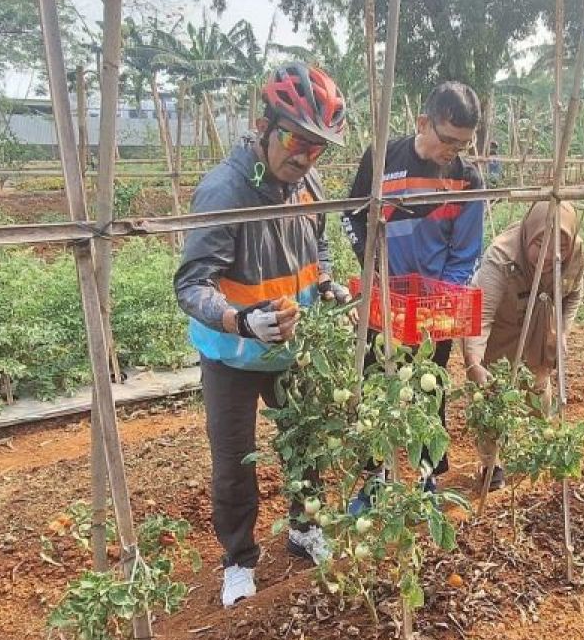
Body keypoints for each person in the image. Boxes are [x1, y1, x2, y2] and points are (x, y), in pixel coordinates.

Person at [174, 62, 352, 608]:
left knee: (304, 444)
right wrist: (242, 321)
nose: (302, 156)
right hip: (231, 354)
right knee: (234, 461)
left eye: (316, 148)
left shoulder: (306, 184)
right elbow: (191, 284)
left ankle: (304, 528)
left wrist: (325, 283)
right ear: (264, 123)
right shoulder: (224, 191)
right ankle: (238, 560)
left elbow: (317, 245)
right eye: (296, 140)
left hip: (292, 347)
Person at [342, 81, 485, 502]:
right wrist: (370, 266)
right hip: (385, 299)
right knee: (374, 388)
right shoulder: (381, 159)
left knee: (429, 390)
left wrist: (439, 300)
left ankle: (426, 478)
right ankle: (373, 480)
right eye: (448, 140)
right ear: (424, 122)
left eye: (463, 144)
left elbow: (465, 253)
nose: (453, 152)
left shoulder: (467, 179)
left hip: (433, 309)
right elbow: (353, 217)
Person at [462, 200, 584, 490]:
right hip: (497, 330)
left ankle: (532, 447)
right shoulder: (501, 257)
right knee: (491, 395)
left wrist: (562, 332)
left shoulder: (575, 252)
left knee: (539, 387)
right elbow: (480, 318)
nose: (548, 256)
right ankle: (491, 463)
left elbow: (573, 295)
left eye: (560, 248)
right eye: (539, 244)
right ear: (529, 234)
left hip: (538, 327)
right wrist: (474, 362)